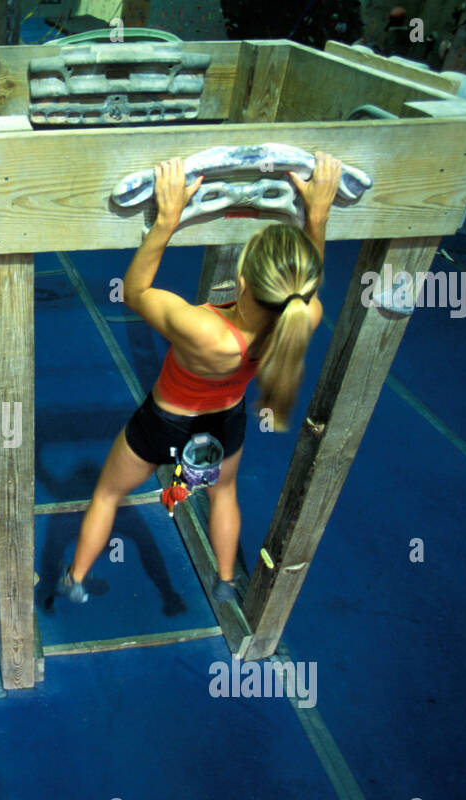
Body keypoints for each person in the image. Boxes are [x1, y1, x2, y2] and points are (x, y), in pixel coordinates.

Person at [55, 151, 343, 604]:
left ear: (242, 282)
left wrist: (167, 219)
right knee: (223, 490)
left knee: (109, 493)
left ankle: (74, 580)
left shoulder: (205, 331)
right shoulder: (303, 318)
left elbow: (134, 291)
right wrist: (319, 214)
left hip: (164, 421)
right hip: (224, 423)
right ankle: (226, 580)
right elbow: (307, 288)